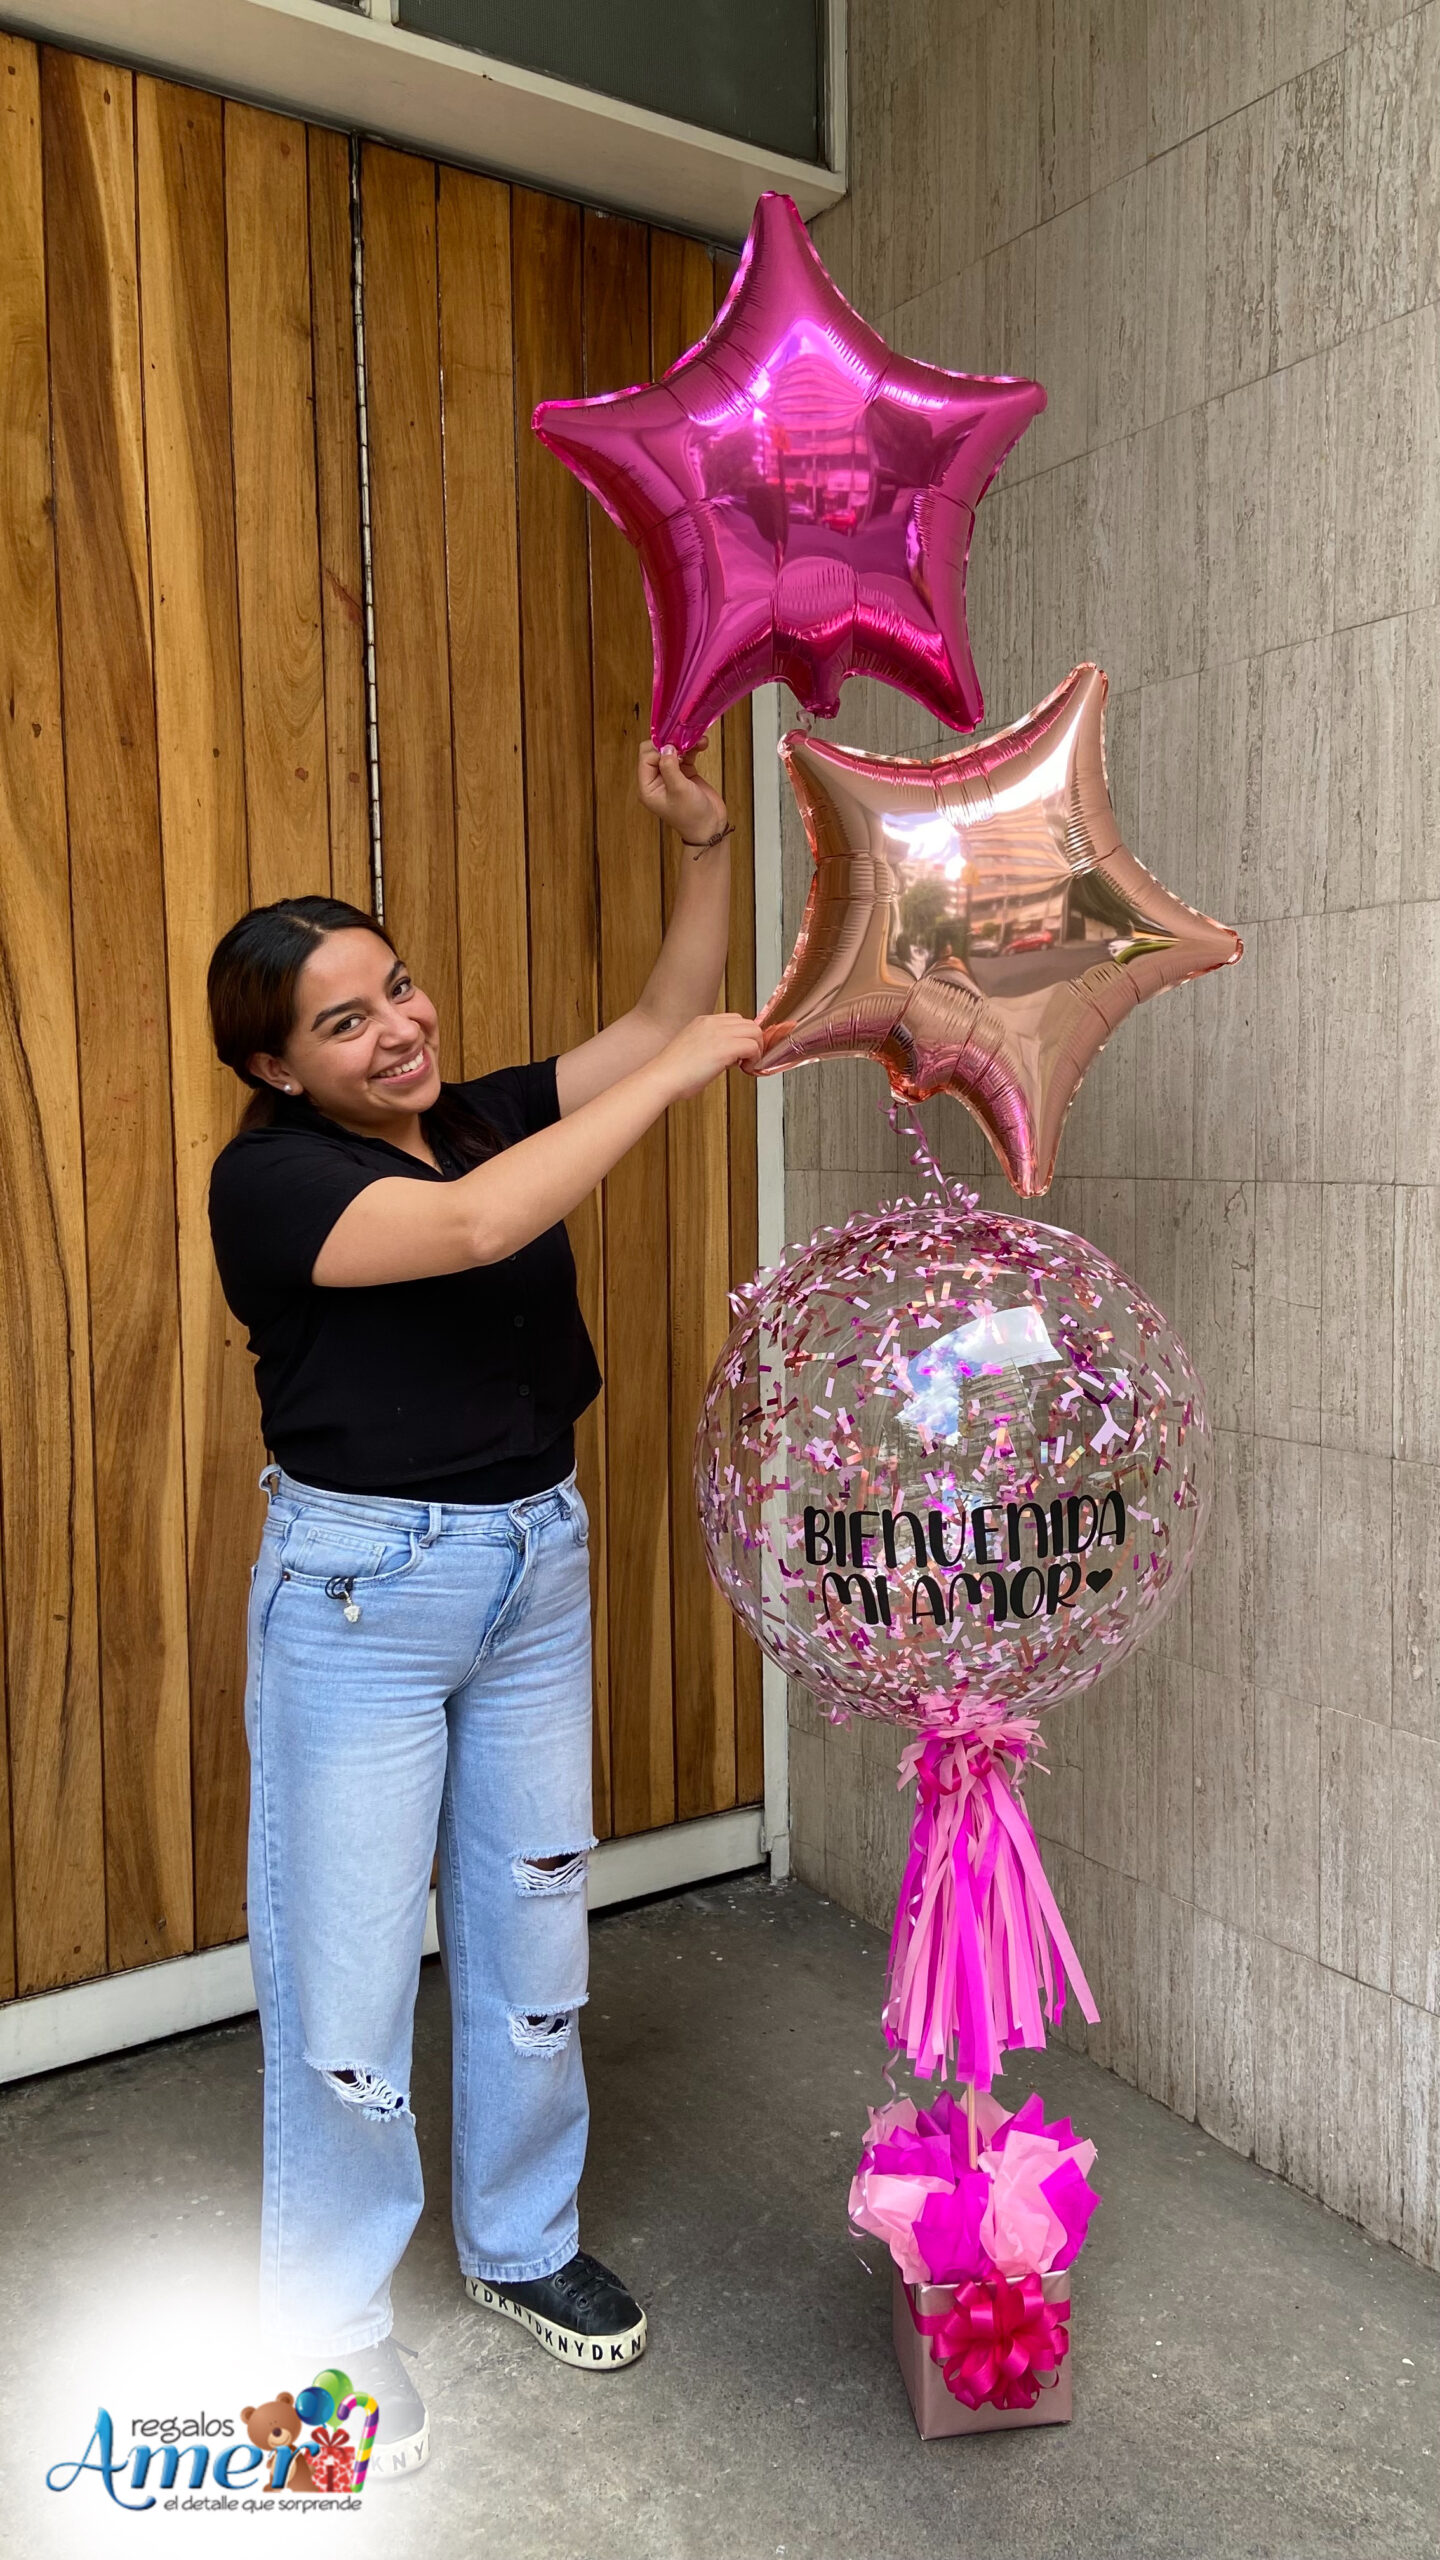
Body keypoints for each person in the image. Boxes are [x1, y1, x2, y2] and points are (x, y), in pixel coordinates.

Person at [206, 740, 761, 2479]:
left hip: (532, 1563)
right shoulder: (274, 1184)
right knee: (350, 1970)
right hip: (363, 1593)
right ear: (275, 1065)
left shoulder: (474, 1111)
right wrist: (682, 1077)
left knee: (534, 1923)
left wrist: (708, 848)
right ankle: (326, 2331)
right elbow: (466, 1231)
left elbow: (663, 1012)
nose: (399, 1028)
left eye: (400, 986)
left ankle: (521, 2240)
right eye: (347, 1021)